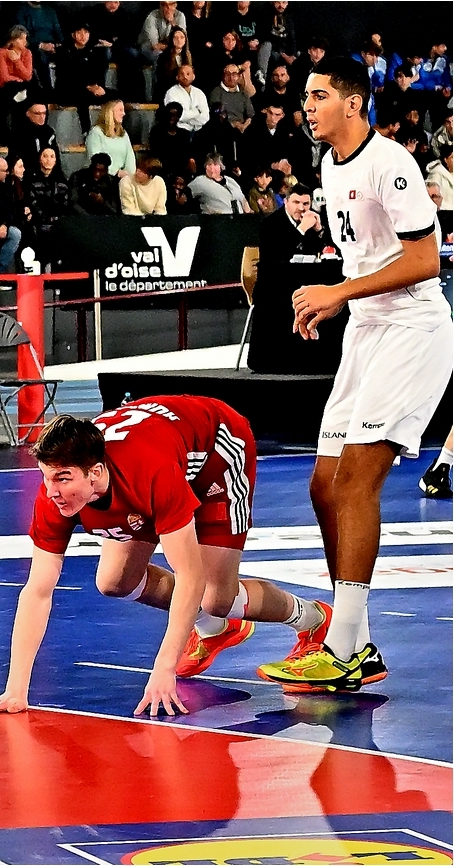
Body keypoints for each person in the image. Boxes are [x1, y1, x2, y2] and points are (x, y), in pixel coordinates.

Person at [259, 56, 454, 692]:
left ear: (352, 102)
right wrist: (335, 302)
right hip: (367, 331)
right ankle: (356, 639)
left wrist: (338, 292)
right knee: (324, 485)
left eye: (318, 96)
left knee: (353, 483)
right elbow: (364, 258)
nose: (307, 106)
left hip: (413, 330)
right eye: (306, 97)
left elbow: (425, 261)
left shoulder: (390, 163)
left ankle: (341, 646)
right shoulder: (328, 162)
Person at [0, 402, 332, 717]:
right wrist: (15, 690)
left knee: (216, 598)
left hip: (217, 450)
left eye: (62, 479)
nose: (52, 492)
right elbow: (37, 590)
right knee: (115, 581)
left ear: (95, 473)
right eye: (46, 478)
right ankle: (216, 628)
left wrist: (163, 666)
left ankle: (313, 617)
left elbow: (190, 575)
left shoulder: (150, 473)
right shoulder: (55, 497)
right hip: (160, 450)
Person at [85, 99, 136, 178]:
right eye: (120, 110)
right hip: (101, 176)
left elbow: (130, 157)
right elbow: (95, 158)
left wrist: (130, 175)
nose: (124, 113)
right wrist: (116, 172)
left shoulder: (123, 133)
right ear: (110, 111)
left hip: (122, 177)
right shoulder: (96, 132)